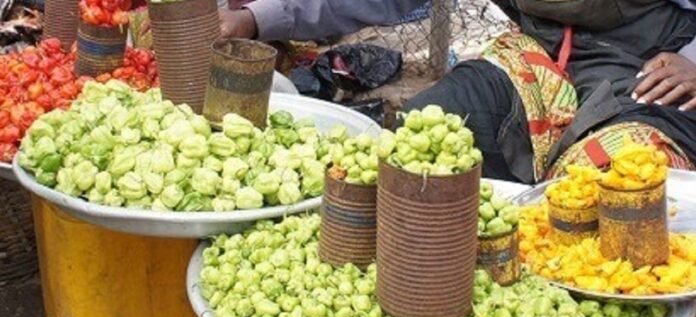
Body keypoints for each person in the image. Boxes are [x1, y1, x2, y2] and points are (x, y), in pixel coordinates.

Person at [220, 0, 696, 184]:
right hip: (540, 58)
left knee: (619, 177)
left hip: (652, 67)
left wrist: (695, 60)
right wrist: (259, 19)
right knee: (425, 134)